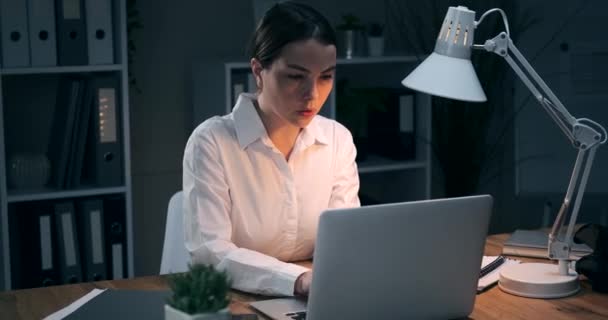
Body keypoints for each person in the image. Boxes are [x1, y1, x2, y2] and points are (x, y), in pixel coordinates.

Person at [182, 1, 360, 297]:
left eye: (326, 76)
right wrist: (298, 279)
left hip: (319, 298)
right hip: (233, 299)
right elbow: (210, 253)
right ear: (258, 71)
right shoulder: (211, 142)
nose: (312, 94)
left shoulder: (337, 140)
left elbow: (345, 242)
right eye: (295, 76)